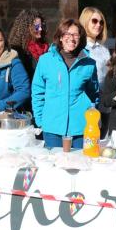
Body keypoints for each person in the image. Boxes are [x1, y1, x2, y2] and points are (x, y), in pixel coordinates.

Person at [32, 19, 99, 148]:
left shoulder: (89, 64)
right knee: (54, 164)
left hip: (81, 126)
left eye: (75, 35)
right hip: (52, 126)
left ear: (80, 38)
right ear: (60, 37)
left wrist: (91, 118)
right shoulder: (45, 61)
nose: (71, 39)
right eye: (67, 34)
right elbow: (37, 92)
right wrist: (41, 121)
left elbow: (94, 94)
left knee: (80, 163)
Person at [79, 7, 111, 137]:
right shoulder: (79, 49)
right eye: (94, 21)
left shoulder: (103, 49)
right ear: (85, 22)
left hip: (104, 104)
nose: (98, 25)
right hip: (87, 105)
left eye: (101, 22)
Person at [8, 9, 49, 80]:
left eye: (41, 25)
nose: (40, 29)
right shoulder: (18, 52)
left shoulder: (46, 49)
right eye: (36, 26)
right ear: (27, 28)